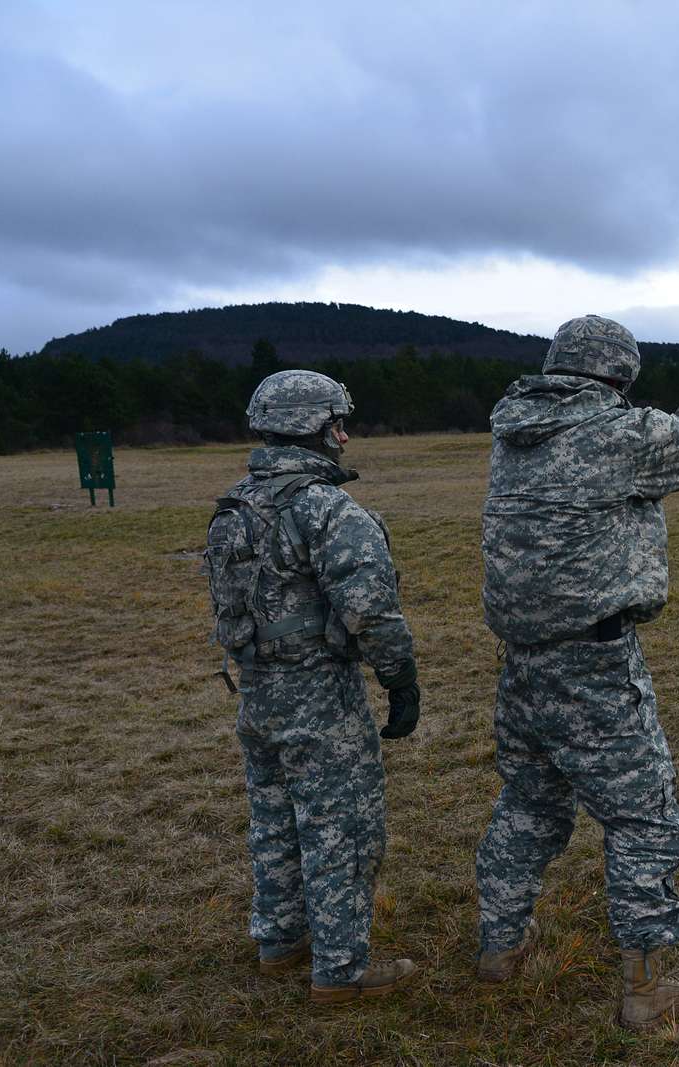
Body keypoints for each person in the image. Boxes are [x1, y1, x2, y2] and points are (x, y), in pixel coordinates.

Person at [474, 315, 679, 1031]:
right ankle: (646, 985)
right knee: (644, 816)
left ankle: (500, 945)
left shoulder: (514, 432)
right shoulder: (617, 434)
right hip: (592, 660)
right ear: (619, 376)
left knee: (530, 802)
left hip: (523, 659)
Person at [203, 369, 422, 1005]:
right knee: (341, 829)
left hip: (257, 694)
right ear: (316, 428)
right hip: (321, 697)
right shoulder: (325, 508)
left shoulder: (236, 505)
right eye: (338, 423)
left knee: (275, 820)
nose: (345, 436)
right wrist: (400, 680)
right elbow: (371, 610)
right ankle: (341, 971)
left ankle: (279, 942)